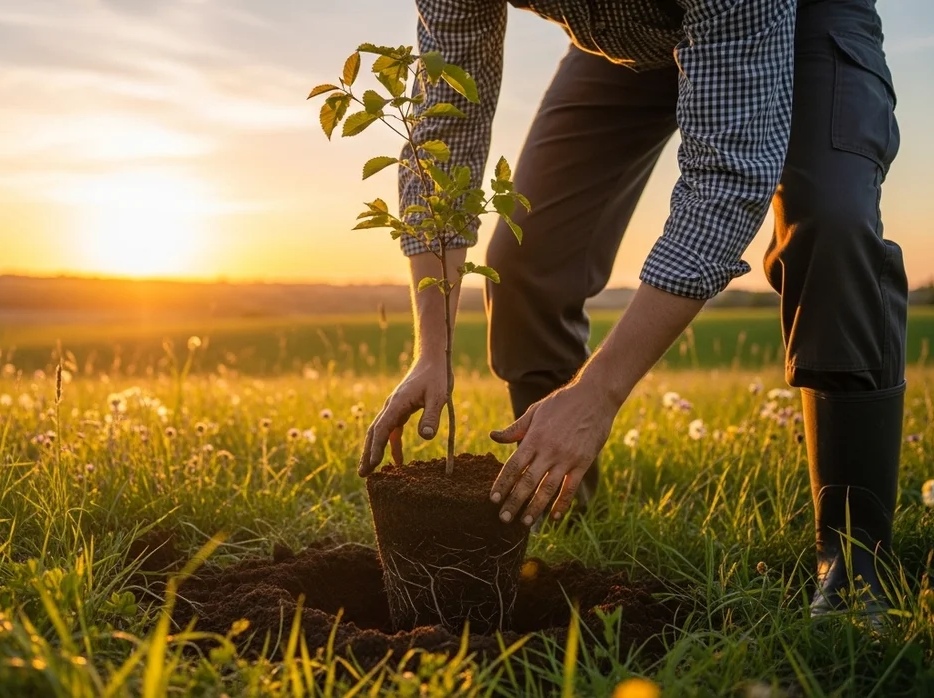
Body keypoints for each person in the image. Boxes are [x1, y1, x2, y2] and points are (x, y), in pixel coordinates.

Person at [357, 0, 906, 615]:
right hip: (625, 43)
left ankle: (854, 563)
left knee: (832, 226)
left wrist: (598, 393)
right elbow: (444, 125)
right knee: (526, 257)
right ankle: (559, 507)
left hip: (794, 19)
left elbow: (726, 179)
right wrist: (431, 352)